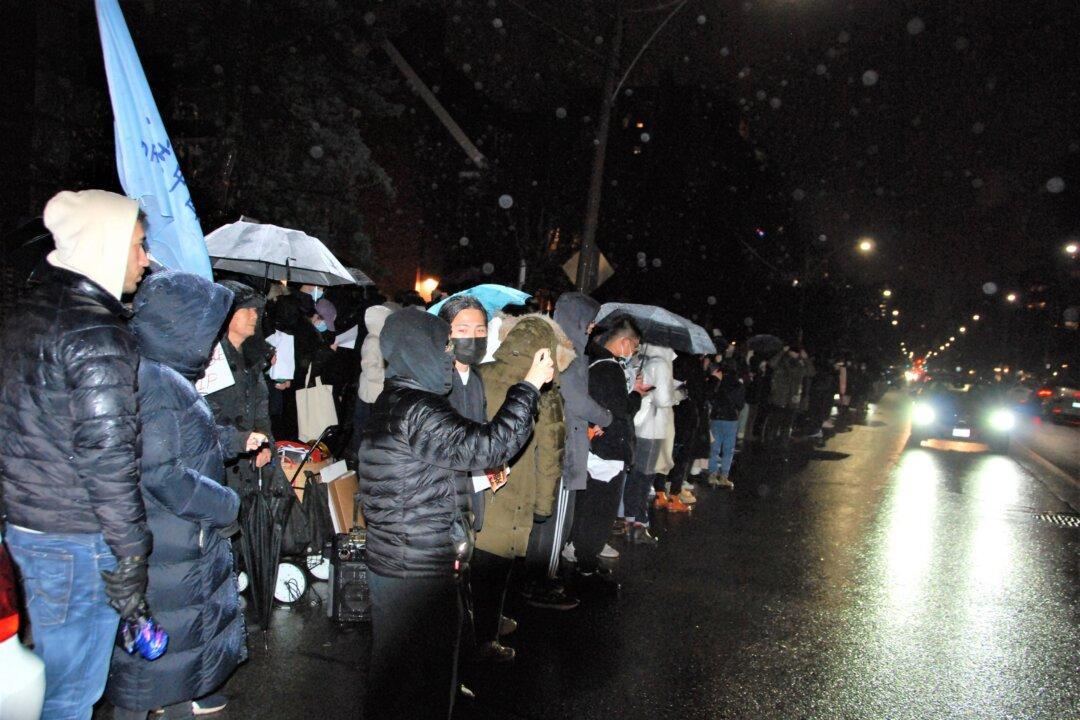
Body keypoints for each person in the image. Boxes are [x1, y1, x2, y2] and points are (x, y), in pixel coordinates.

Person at [357, 311, 553, 720]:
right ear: (418, 348)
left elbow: (419, 478)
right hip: (420, 569)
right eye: (443, 345)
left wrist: (473, 486)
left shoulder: (392, 400)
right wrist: (529, 387)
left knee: (394, 677)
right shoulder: (418, 409)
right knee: (427, 682)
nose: (449, 354)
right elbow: (489, 445)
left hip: (395, 560)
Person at [0, 190, 150, 719]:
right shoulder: (96, 331)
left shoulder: (29, 313)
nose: (145, 259)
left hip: (26, 526)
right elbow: (108, 458)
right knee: (69, 694)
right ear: (106, 247)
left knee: (38, 681)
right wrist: (131, 553)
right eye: (138, 246)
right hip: (75, 540)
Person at [106, 271, 258, 719]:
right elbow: (164, 474)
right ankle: (165, 704)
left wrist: (233, 441)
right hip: (171, 538)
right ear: (181, 326)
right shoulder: (157, 383)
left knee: (180, 640)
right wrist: (225, 506)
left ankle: (185, 693)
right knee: (162, 647)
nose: (212, 344)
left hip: (179, 538)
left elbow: (186, 439)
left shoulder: (165, 375)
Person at [474, 314, 573, 662]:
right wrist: (543, 507)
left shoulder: (480, 375)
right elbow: (550, 457)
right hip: (515, 489)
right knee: (497, 566)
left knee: (473, 561)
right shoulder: (544, 394)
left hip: (475, 486)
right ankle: (486, 639)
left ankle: (480, 621)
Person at [566, 316, 646, 595]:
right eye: (633, 347)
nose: (633, 353)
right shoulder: (608, 368)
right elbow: (617, 413)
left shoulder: (592, 362)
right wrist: (634, 396)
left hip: (594, 449)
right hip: (606, 452)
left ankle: (584, 560)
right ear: (624, 342)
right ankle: (586, 567)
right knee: (600, 512)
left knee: (590, 507)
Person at [207, 280, 275, 495]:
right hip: (225, 459)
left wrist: (265, 443)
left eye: (256, 310)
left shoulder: (252, 358)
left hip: (250, 461)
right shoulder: (210, 358)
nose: (254, 315)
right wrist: (241, 440)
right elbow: (210, 409)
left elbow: (260, 407)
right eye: (246, 310)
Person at [625, 344, 679, 544]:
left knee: (635, 476)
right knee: (645, 478)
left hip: (640, 428)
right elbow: (664, 399)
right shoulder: (661, 365)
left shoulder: (642, 361)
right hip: (654, 429)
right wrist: (676, 394)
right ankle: (639, 525)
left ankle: (630, 521)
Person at [354, 304, 394, 448]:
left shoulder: (379, 339)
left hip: (377, 390)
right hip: (372, 391)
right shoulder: (373, 341)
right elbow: (370, 369)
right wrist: (389, 374)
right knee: (368, 426)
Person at [707, 360, 746, 489]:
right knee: (728, 450)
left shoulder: (717, 382)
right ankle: (724, 476)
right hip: (731, 419)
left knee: (714, 448)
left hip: (716, 417)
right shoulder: (738, 385)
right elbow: (740, 405)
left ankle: (712, 474)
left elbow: (710, 397)